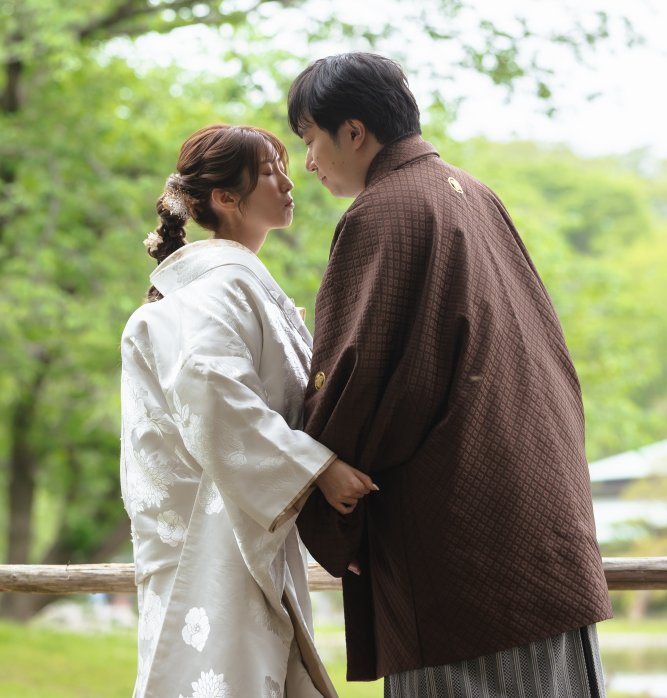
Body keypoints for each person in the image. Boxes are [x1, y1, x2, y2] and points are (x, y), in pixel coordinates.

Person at [288, 54, 612, 698]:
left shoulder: (383, 211)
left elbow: (359, 376)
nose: (309, 164)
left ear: (353, 131)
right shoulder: (473, 193)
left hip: (460, 536)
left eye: (310, 139)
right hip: (541, 515)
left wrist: (328, 489)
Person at [120, 124, 375, 698]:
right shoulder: (219, 288)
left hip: (244, 523)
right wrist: (317, 468)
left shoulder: (234, 284)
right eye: (268, 172)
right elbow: (211, 388)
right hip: (213, 537)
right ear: (225, 199)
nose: (289, 181)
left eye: (285, 166)